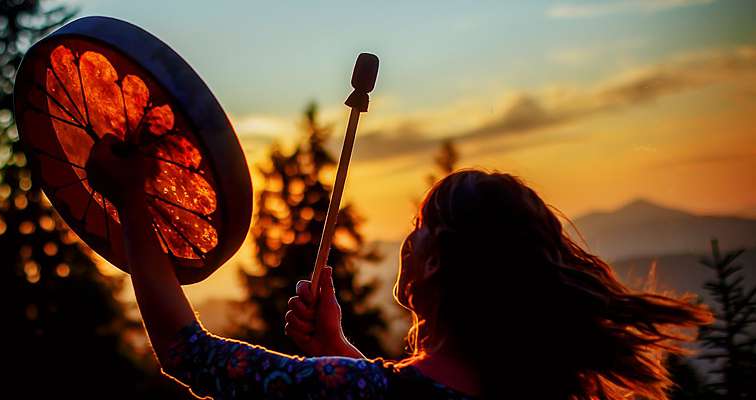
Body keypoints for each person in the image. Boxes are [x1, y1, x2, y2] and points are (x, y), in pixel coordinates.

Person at [100, 150, 712, 400]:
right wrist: (335, 350)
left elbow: (188, 353)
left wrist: (131, 200)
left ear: (440, 260)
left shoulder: (358, 392)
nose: (407, 239)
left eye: (418, 226)